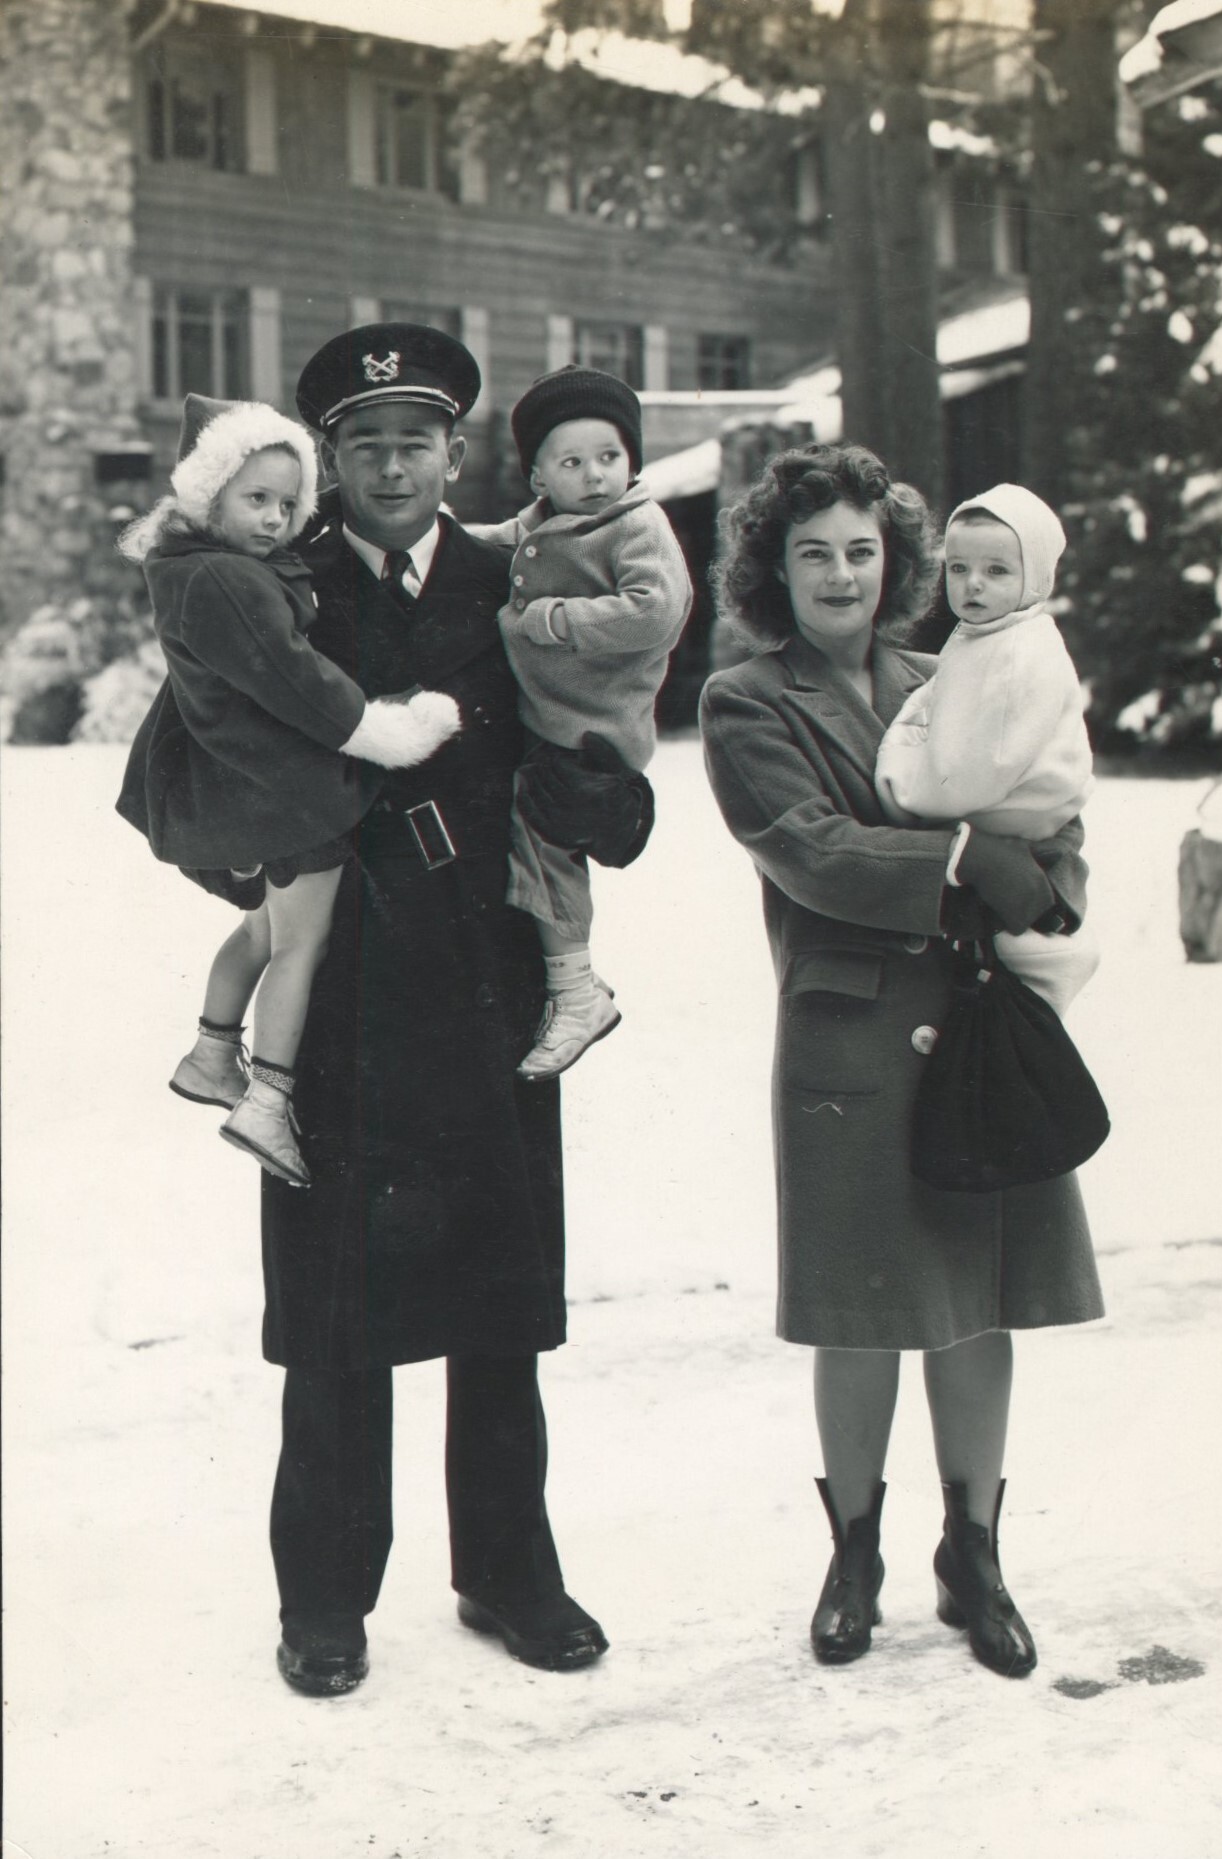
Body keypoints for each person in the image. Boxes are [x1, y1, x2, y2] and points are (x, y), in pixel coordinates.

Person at [251, 322, 650, 1696]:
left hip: (485, 979)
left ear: (453, 452)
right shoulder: (277, 586)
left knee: (497, 1297)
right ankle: (323, 1597)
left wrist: (607, 797)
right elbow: (197, 767)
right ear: (331, 459)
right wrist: (262, 894)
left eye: (415, 440)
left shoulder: (509, 575)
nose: (390, 464)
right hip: (340, 988)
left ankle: (508, 1571)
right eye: (363, 444)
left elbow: (591, 729)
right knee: (333, 1307)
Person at [700, 443, 1104, 1679]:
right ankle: (854, 1551)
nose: (839, 573)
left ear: (897, 564)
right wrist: (952, 860)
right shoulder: (745, 699)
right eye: (811, 551)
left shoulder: (955, 671)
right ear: (775, 567)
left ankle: (969, 1552)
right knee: (860, 1305)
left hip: (983, 1027)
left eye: (861, 551)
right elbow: (808, 846)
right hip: (850, 1032)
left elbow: (1045, 803)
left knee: (980, 1305)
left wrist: (1046, 880)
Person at [117, 395, 460, 1186]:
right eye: (255, 500)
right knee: (303, 943)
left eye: (286, 503)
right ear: (208, 497)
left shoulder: (198, 566)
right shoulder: (228, 580)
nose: (274, 519)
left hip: (252, 787)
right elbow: (298, 681)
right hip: (290, 791)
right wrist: (386, 731)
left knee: (264, 935)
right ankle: (267, 1100)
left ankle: (211, 1054)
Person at [469, 365, 692, 1079]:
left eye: (610, 457)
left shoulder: (635, 524)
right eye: (572, 462)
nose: (596, 475)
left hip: (594, 727)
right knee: (525, 837)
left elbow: (655, 609)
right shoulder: (543, 521)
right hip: (550, 716)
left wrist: (553, 620)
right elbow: (500, 540)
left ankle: (576, 992)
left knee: (543, 843)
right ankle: (567, 985)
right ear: (539, 477)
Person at [874, 482, 1098, 1014]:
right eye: (958, 568)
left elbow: (961, 780)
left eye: (997, 571)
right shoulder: (989, 636)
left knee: (1018, 992)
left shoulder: (1020, 652)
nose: (973, 585)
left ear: (1035, 577)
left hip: (1021, 834)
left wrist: (896, 774)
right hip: (1013, 829)